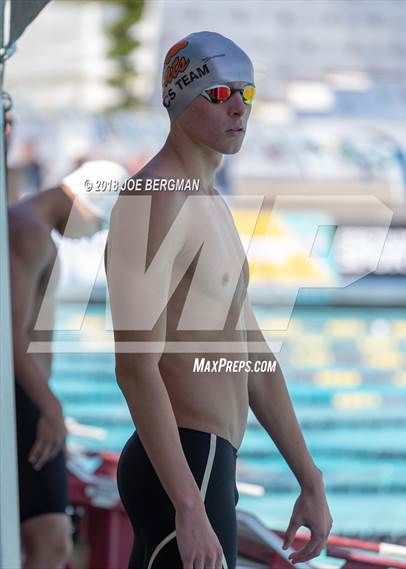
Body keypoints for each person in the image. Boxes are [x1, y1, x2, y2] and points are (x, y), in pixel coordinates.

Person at [105, 31, 333, 569]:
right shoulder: (153, 198)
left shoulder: (209, 202)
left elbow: (252, 354)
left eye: (246, 94)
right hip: (185, 467)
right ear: (181, 97)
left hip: (207, 466)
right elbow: (135, 368)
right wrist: (188, 505)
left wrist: (310, 475)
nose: (238, 108)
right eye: (220, 93)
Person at [9, 160, 128, 569]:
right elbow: (11, 333)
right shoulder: (28, 230)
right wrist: (50, 407)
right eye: (98, 224)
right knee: (51, 542)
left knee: (38, 541)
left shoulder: (32, 228)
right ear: (85, 202)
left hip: (28, 399)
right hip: (25, 401)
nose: (93, 235)